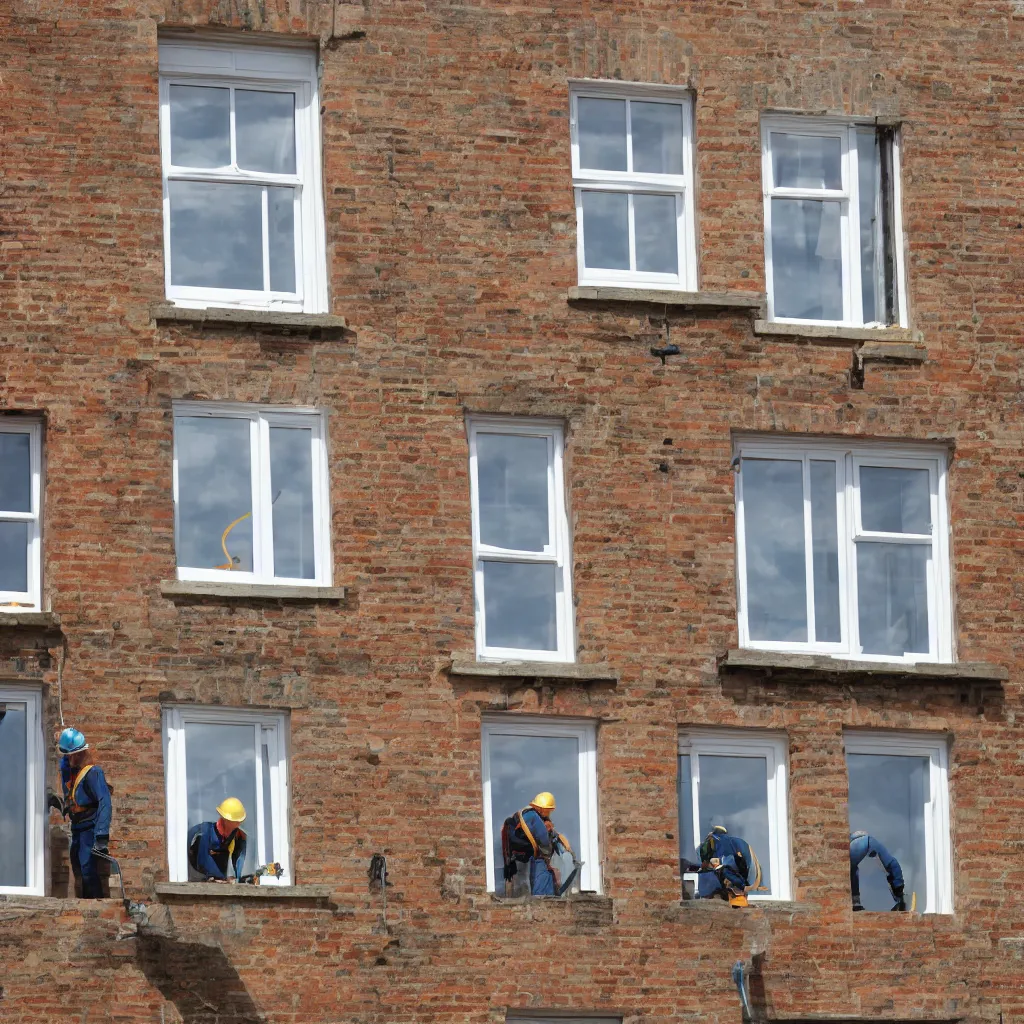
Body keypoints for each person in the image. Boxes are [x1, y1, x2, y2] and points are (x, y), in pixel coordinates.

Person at [56, 727, 113, 900]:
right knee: (78, 867)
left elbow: (105, 802)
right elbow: (64, 767)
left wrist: (101, 836)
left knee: (88, 868)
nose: (67, 758)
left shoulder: (93, 773)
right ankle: (84, 904)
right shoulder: (72, 771)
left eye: (69, 755)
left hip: (90, 828)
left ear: (78, 754)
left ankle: (96, 905)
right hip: (78, 827)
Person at [500, 791, 572, 896]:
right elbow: (544, 842)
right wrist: (551, 860)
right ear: (544, 809)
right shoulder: (535, 818)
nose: (549, 813)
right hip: (536, 861)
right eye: (549, 810)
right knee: (543, 887)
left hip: (519, 860)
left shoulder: (526, 813)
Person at [691, 825, 761, 907]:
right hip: (735, 878)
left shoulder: (713, 841)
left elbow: (706, 861)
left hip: (730, 878)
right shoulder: (735, 842)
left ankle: (738, 891)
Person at [187, 798, 248, 882]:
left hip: (220, 885)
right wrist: (216, 877)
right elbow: (201, 860)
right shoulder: (204, 833)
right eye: (236, 821)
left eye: (240, 821)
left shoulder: (238, 836)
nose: (239, 823)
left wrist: (237, 879)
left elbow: (238, 861)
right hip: (197, 881)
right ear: (225, 819)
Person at [850, 830, 906, 911]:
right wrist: (899, 890)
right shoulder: (871, 842)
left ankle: (855, 903)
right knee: (888, 865)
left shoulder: (863, 841)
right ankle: (899, 897)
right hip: (867, 844)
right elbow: (891, 865)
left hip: (860, 844)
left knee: (853, 870)